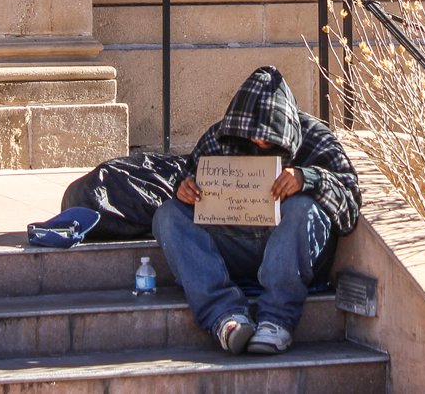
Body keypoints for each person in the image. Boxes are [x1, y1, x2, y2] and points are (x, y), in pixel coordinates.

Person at [152, 66, 361, 355]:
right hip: (234, 245)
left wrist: (307, 179)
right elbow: (187, 182)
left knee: (302, 207)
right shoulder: (218, 138)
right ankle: (225, 317)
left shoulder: (316, 137)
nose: (260, 143)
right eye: (251, 137)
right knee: (168, 215)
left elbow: (350, 208)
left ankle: (276, 320)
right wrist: (184, 188)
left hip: (291, 249)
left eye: (268, 139)